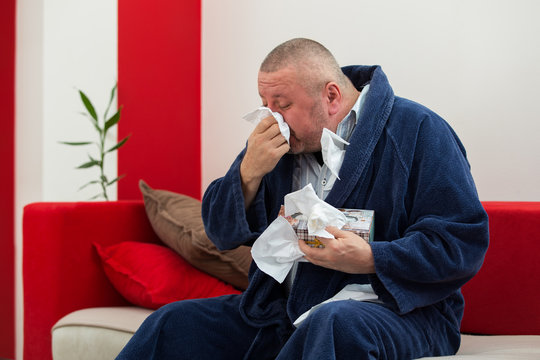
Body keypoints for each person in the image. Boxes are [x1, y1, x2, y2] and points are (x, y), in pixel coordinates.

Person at [116, 38, 489, 359]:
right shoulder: (278, 143)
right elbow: (219, 233)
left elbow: (461, 242)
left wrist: (373, 258)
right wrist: (248, 172)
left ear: (330, 96)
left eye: (281, 104)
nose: (270, 117)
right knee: (172, 323)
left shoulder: (420, 131)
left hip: (402, 312)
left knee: (335, 324)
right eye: (264, 102)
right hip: (284, 310)